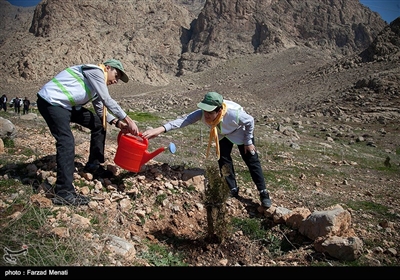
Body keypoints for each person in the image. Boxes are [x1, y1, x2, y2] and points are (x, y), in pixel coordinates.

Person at [142, 91, 272, 208]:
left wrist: (248, 141)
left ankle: (263, 192)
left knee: (251, 159)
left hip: (240, 131)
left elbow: (250, 121)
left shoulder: (233, 114)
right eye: (205, 111)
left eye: (210, 112)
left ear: (219, 110)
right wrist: (159, 129)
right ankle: (232, 188)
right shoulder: (202, 114)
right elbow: (183, 120)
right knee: (223, 159)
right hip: (221, 133)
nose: (206, 115)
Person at [37, 59, 139, 206]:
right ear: (107, 68)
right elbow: (106, 99)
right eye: (116, 75)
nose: (116, 81)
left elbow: (100, 109)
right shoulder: (96, 71)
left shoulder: (98, 84)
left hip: (67, 105)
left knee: (99, 124)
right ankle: (64, 192)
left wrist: (118, 123)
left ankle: (94, 165)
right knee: (66, 141)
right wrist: (128, 120)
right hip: (52, 102)